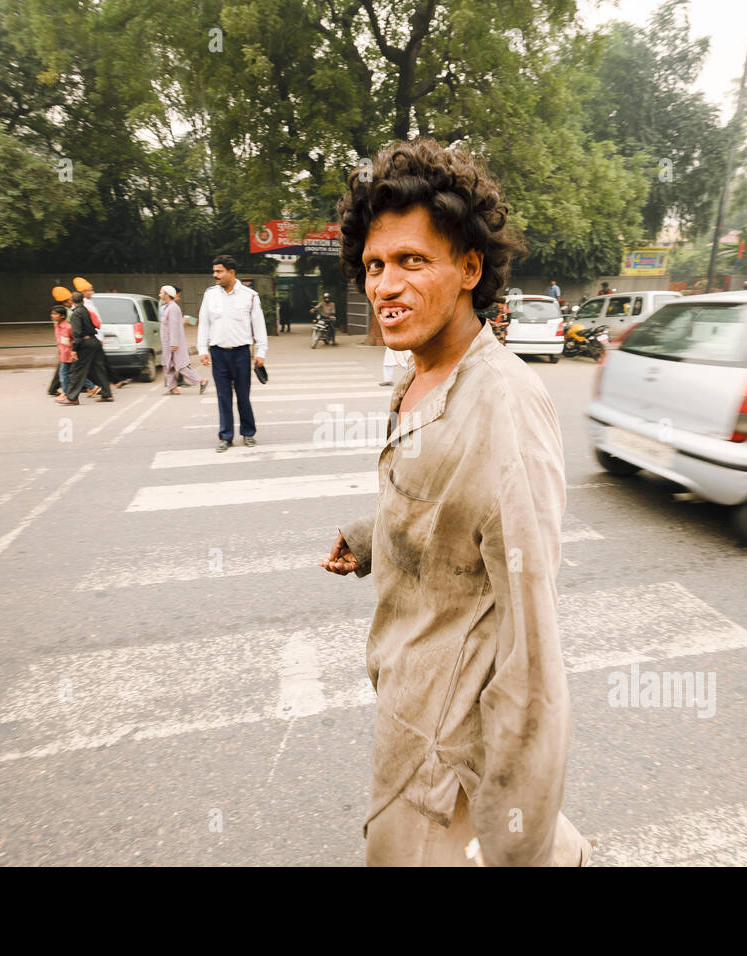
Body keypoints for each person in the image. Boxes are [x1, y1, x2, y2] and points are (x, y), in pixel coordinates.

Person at [320, 136, 589, 867]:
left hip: (448, 761)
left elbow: (533, 652)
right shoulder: (418, 377)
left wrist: (516, 840)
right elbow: (443, 500)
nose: (385, 286)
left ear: (470, 268)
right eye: (375, 265)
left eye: (412, 261)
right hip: (406, 706)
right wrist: (373, 535)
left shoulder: (504, 405)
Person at [197, 255, 266, 451]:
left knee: (243, 396)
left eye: (219, 271)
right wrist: (203, 349)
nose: (215, 275)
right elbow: (204, 323)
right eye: (214, 271)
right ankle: (226, 436)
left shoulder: (249, 296)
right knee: (223, 396)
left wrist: (261, 352)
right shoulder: (210, 295)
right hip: (218, 354)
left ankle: (248, 433)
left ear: (231, 273)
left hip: (241, 354)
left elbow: (259, 327)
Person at [74, 277, 130, 390]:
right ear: (82, 292)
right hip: (91, 339)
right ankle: (101, 386)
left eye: (91, 289)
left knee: (99, 363)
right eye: (89, 290)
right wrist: (99, 337)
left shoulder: (89, 303)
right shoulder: (83, 306)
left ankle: (110, 384)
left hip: (94, 338)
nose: (92, 292)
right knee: (96, 365)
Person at [59, 291, 112, 404]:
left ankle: (72, 398)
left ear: (72, 301)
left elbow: (77, 333)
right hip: (94, 341)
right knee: (99, 369)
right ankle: (107, 395)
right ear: (83, 300)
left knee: (76, 370)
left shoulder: (76, 314)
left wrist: (74, 349)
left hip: (85, 343)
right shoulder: (85, 310)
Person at [159, 284, 207, 395]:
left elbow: (174, 327)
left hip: (173, 343)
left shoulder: (173, 308)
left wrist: (174, 343)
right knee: (167, 365)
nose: (159, 294)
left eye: (161, 292)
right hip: (168, 343)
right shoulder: (168, 307)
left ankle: (202, 380)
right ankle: (173, 388)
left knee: (180, 366)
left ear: (167, 294)